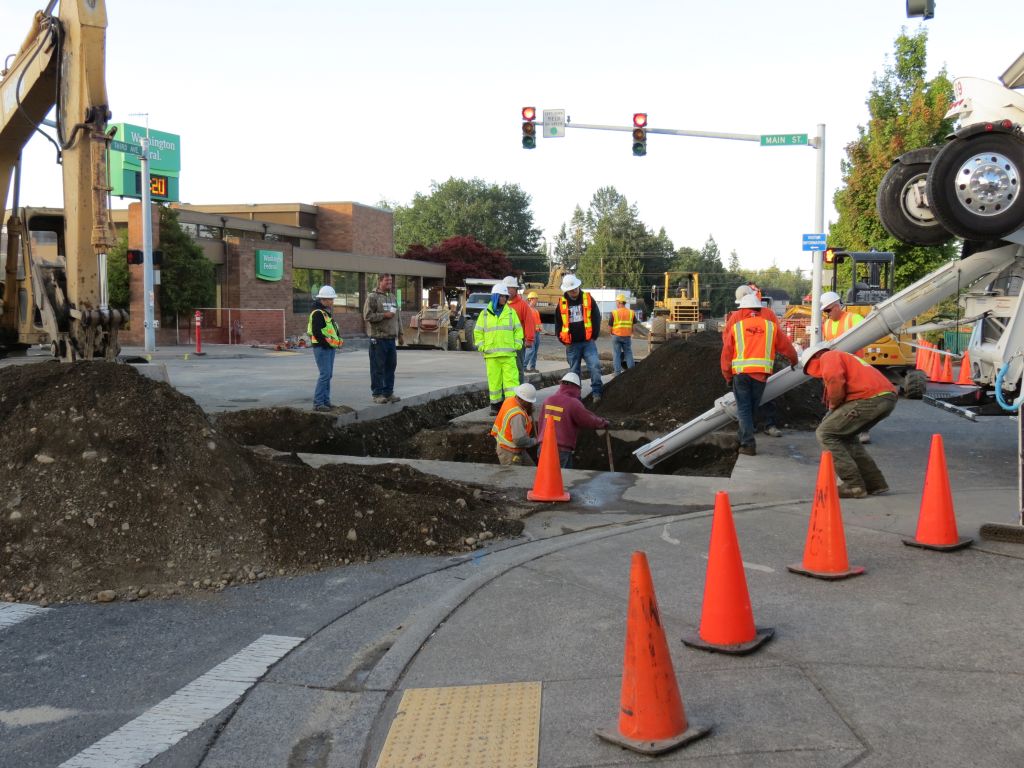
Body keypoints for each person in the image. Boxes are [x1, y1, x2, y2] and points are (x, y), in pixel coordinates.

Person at [800, 345, 897, 498]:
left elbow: (835, 380)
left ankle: (853, 485)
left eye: (811, 368)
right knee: (846, 436)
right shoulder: (845, 356)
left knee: (825, 433)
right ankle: (874, 483)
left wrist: (833, 406)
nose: (815, 374)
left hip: (869, 397)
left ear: (816, 356)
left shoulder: (828, 356)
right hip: (885, 398)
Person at [721, 293, 799, 456]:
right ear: (758, 309)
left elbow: (726, 355)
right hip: (761, 376)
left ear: (743, 310)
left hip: (741, 375)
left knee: (743, 410)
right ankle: (742, 439)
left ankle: (748, 444)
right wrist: (794, 361)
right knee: (750, 410)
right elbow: (786, 346)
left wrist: (728, 376)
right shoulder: (770, 326)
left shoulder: (737, 327)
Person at [724, 284, 786, 437]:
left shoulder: (767, 315)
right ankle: (752, 428)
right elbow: (728, 340)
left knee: (762, 397)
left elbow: (727, 342)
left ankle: (760, 427)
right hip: (757, 365)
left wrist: (728, 372)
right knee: (753, 400)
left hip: (758, 363)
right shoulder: (737, 317)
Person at [820, 290, 871, 443]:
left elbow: (866, 335)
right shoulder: (827, 324)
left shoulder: (854, 318)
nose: (827, 314)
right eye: (825, 311)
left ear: (836, 307)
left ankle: (863, 430)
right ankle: (844, 429)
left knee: (859, 399)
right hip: (838, 369)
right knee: (841, 398)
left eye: (828, 310)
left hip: (855, 366)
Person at [538, 372, 610, 468]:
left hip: (543, 447)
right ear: (575, 387)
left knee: (545, 478)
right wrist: (603, 422)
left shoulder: (548, 400)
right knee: (564, 480)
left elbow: (541, 423)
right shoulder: (573, 403)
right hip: (560, 451)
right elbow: (588, 419)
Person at [474, 282, 524, 415]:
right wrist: (482, 347)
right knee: (494, 381)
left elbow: (518, 331)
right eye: (502, 296)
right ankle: (495, 406)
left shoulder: (511, 313)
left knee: (511, 382)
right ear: (495, 296)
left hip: (508, 355)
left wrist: (517, 345)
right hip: (491, 356)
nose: (504, 299)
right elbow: (478, 332)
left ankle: (511, 405)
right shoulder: (484, 314)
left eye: (505, 297)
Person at [554, 274, 604, 402]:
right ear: (566, 290)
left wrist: (594, 335)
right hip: (571, 344)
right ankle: (576, 398)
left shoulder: (587, 298)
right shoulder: (562, 303)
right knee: (574, 373)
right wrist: (562, 339)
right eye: (571, 289)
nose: (574, 291)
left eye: (575, 288)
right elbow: (558, 323)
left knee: (595, 366)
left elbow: (596, 317)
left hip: (588, 342)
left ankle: (597, 393)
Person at [363, 273, 404, 405]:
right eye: (387, 281)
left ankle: (388, 392)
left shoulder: (392, 297)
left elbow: (397, 317)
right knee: (377, 367)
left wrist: (401, 334)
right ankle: (377, 394)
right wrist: (384, 315)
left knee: (391, 366)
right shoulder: (372, 297)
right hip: (378, 339)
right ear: (380, 281)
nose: (390, 283)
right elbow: (367, 316)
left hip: (391, 339)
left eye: (391, 281)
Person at [308, 285, 344, 412]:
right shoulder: (318, 313)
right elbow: (316, 332)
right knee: (325, 375)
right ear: (325, 299)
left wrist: (336, 342)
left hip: (328, 348)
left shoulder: (324, 312)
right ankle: (318, 403)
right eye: (331, 299)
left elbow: (330, 330)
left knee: (328, 375)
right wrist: (327, 344)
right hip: (322, 348)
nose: (333, 302)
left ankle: (325, 401)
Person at [489, 382, 539, 466]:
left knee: (532, 471)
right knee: (515, 476)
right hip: (510, 452)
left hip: (510, 447)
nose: (530, 404)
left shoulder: (510, 400)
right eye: (529, 402)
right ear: (523, 399)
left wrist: (528, 408)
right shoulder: (517, 415)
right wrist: (535, 441)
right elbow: (519, 440)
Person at [504, 275, 536, 383]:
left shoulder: (523, 305)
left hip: (518, 342)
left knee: (518, 367)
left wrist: (529, 339)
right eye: (506, 288)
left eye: (510, 288)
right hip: (503, 342)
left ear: (516, 289)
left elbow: (529, 322)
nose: (508, 290)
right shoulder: (500, 305)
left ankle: (520, 392)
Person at [609, 294, 640, 375]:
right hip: (627, 336)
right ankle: (632, 372)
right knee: (628, 353)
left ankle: (617, 373)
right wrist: (632, 332)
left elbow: (610, 325)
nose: (616, 303)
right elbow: (634, 325)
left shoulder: (614, 312)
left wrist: (611, 332)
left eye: (616, 302)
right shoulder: (631, 312)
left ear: (619, 302)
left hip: (616, 336)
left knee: (616, 354)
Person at [524, 291, 543, 372]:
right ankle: (523, 366)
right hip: (531, 332)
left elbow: (537, 322)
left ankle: (532, 367)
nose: (536, 301)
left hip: (537, 332)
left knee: (534, 351)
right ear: (530, 299)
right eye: (535, 299)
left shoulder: (535, 310)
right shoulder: (528, 309)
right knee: (530, 350)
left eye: (536, 299)